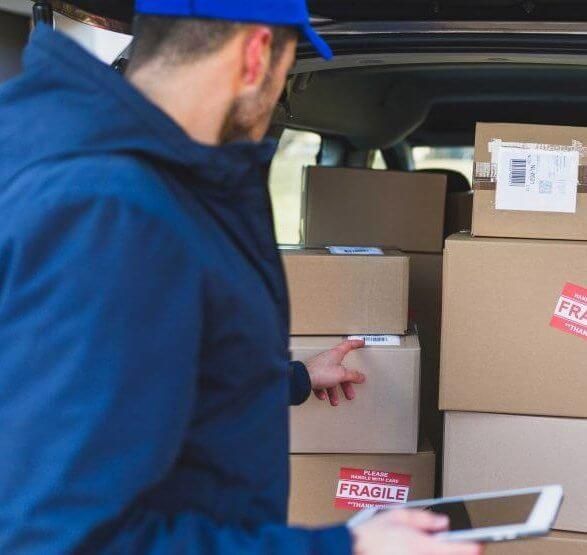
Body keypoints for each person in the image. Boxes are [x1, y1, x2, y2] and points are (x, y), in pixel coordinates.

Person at [0, 1, 481, 553]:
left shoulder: (143, 191)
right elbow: (58, 537)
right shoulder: (116, 212)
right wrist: (348, 547)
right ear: (255, 55)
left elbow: (144, 379)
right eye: (283, 77)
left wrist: (294, 378)